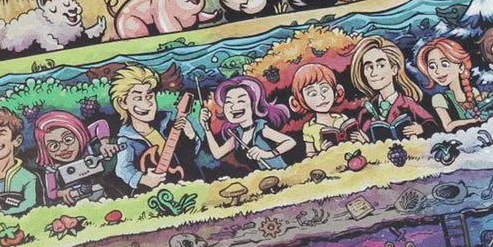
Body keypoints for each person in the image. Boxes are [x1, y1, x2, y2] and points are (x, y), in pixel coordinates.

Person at [111, 65, 199, 193]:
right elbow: (123, 169)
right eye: (138, 98)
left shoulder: (167, 126)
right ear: (122, 103)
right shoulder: (128, 139)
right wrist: (143, 179)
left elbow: (189, 154)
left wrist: (190, 135)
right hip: (152, 192)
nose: (147, 103)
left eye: (149, 96)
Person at [199, 75, 296, 170]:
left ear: (253, 104)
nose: (233, 106)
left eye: (241, 101)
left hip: (278, 175)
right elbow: (217, 154)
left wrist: (268, 154)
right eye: (228, 102)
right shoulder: (237, 135)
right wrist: (207, 128)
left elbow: (290, 141)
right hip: (259, 178)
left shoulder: (261, 128)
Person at [349, 35, 435, 139]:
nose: (374, 73)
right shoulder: (365, 112)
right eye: (369, 67)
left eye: (381, 65)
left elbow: (432, 125)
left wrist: (421, 128)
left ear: (394, 69)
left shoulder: (408, 104)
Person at [289, 62, 366, 156]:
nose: (321, 97)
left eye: (324, 90)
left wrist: (362, 140)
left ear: (335, 91)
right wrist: (322, 152)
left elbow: (364, 142)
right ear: (302, 100)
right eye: (312, 94)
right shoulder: (309, 128)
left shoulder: (342, 118)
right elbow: (310, 154)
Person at [414, 36, 484, 132]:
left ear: (461, 67)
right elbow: (448, 126)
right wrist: (473, 121)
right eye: (432, 66)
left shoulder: (474, 92)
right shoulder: (439, 98)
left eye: (444, 64)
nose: (437, 71)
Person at [34, 110, 98, 205]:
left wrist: (105, 142)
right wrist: (62, 193)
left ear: (78, 134)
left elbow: (100, 125)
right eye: (54, 146)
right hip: (75, 198)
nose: (64, 148)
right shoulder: (52, 168)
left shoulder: (85, 148)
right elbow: (51, 193)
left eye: (68, 140)